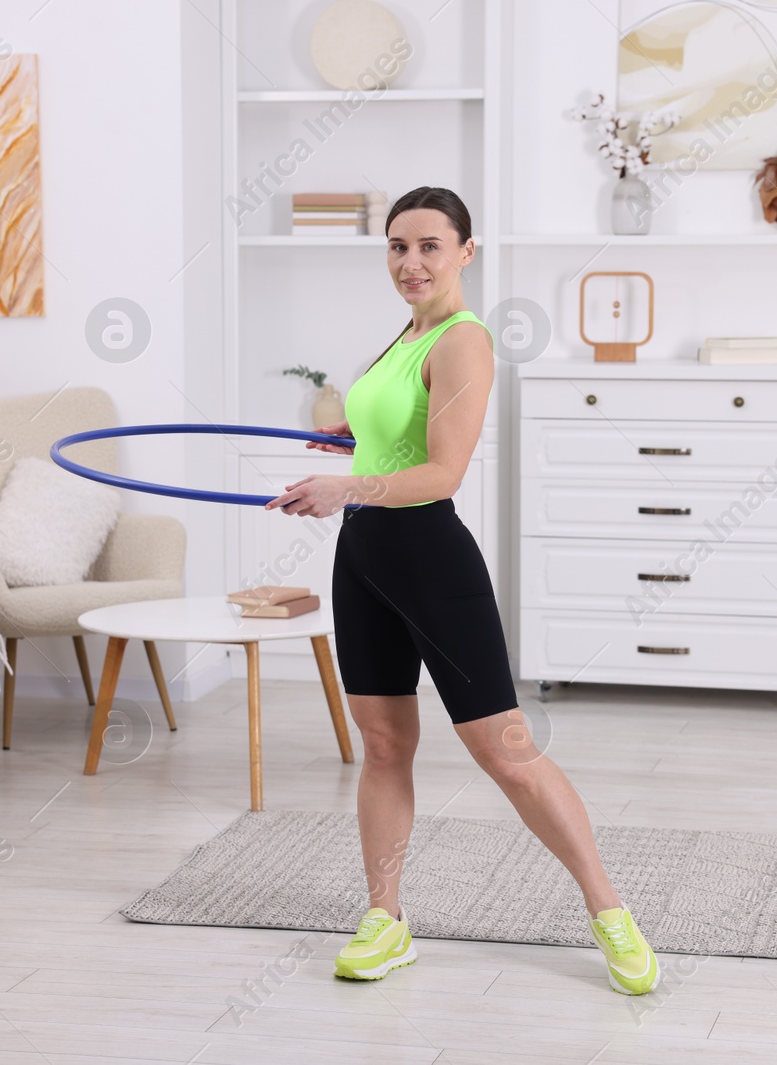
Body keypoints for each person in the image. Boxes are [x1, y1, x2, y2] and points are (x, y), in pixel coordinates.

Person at [265, 186, 660, 996]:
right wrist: (348, 444)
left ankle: (610, 910)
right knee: (382, 745)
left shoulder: (463, 339)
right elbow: (395, 435)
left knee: (505, 753)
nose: (411, 263)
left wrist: (345, 485)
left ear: (465, 252)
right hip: (365, 560)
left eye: (429, 247)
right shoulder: (402, 338)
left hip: (431, 562)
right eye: (397, 247)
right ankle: (387, 919)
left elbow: (443, 471)